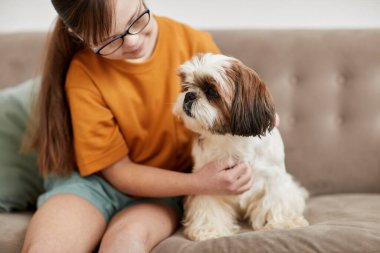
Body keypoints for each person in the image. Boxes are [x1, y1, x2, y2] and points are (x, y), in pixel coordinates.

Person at [21, 0, 256, 252]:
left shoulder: (192, 42)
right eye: (109, 40)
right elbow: (119, 172)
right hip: (92, 185)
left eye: (137, 18)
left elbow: (234, 105)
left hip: (166, 188)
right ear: (79, 36)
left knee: (125, 242)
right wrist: (200, 183)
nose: (132, 41)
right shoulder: (83, 74)